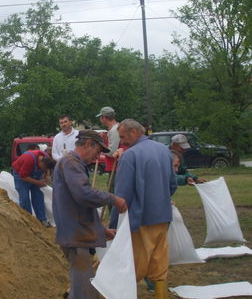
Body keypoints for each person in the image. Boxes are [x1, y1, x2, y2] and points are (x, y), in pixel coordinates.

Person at [53, 130, 127, 299]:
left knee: (84, 287)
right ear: (88, 144)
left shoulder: (74, 164)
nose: (98, 156)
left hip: (78, 233)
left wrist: (101, 230)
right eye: (98, 151)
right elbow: (83, 194)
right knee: (83, 292)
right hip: (76, 236)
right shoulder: (71, 163)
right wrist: (113, 198)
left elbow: (81, 206)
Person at [109, 119, 177, 299]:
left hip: (140, 221)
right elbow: (172, 185)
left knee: (133, 267)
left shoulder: (130, 156)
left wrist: (114, 224)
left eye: (123, 137)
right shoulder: (164, 151)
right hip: (163, 217)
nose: (122, 142)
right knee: (159, 266)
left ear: (134, 132)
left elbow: (121, 197)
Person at [12, 148, 55, 227]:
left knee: (38, 197)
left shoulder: (45, 157)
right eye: (42, 168)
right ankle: (29, 222)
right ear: (41, 162)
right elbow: (23, 176)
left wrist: (46, 176)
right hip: (20, 175)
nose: (42, 170)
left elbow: (47, 169)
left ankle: (42, 219)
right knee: (25, 199)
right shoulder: (29, 159)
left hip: (33, 175)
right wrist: (38, 182)